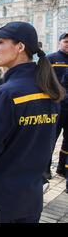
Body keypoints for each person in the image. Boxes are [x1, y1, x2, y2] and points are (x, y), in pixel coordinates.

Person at [0, 22, 64, 223]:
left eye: (0, 42)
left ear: (20, 48)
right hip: (30, 195)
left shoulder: (6, 94)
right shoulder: (49, 91)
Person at [47, 32, 68, 179]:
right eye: (66, 41)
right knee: (50, 139)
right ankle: (45, 169)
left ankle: (62, 168)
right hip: (55, 106)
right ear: (60, 42)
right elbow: (43, 81)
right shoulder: (51, 59)